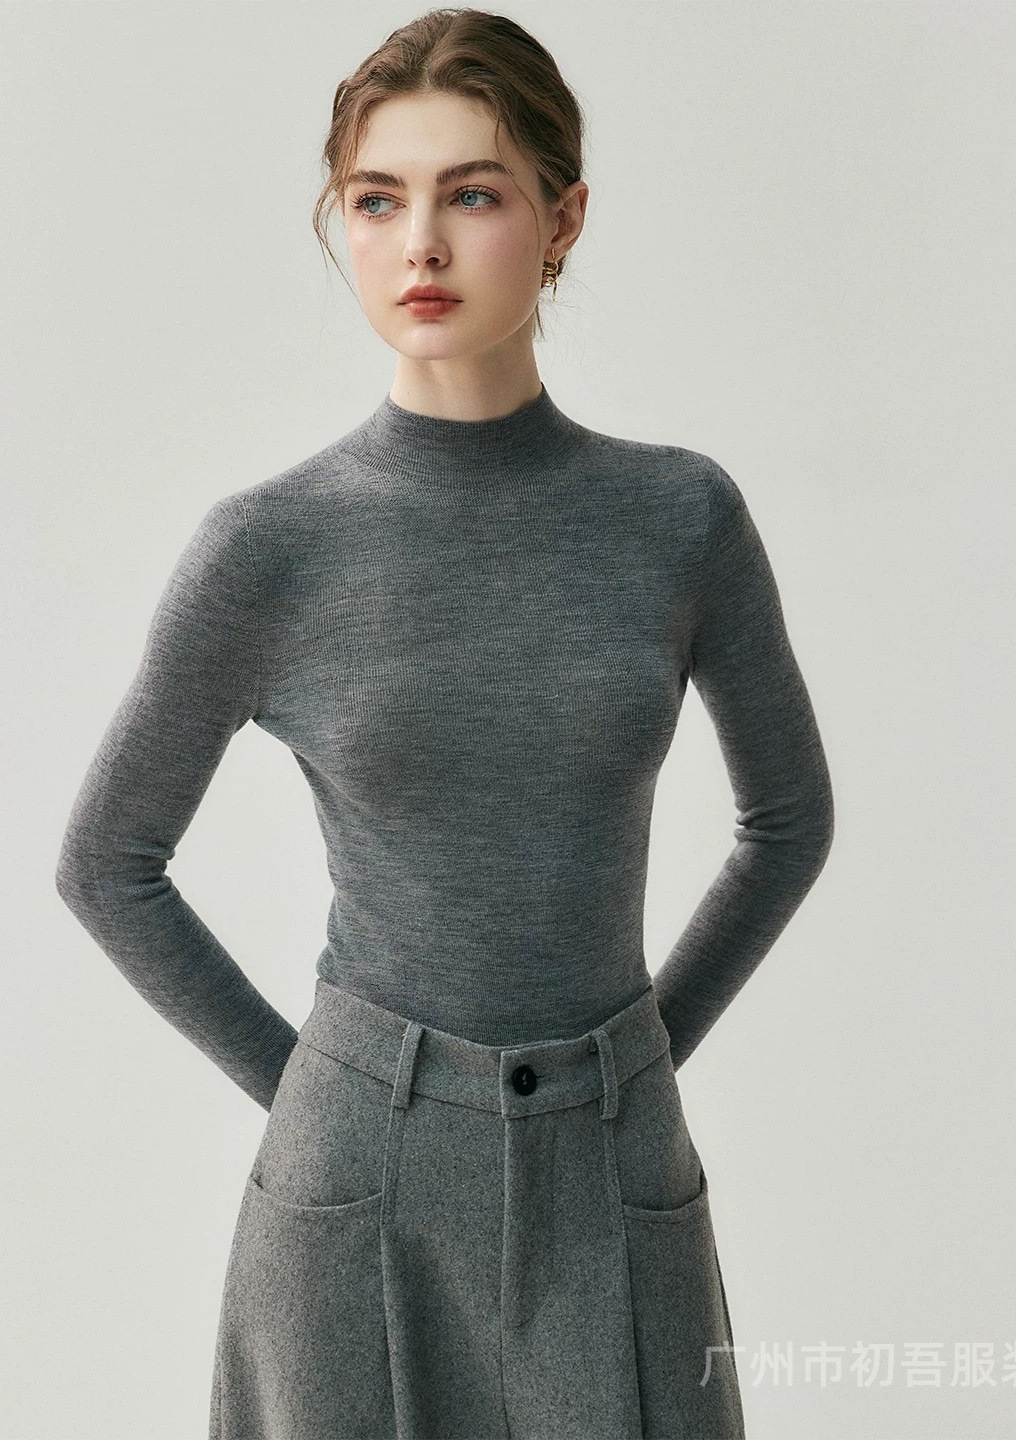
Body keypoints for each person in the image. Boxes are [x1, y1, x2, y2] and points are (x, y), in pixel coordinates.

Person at [54, 8, 834, 1438]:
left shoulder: (679, 519)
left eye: (472, 194)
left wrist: (635, 1064)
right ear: (338, 223)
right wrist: (328, 1094)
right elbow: (106, 863)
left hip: (617, 1177)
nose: (419, 244)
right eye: (376, 200)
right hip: (356, 1194)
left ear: (563, 219)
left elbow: (789, 824)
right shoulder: (269, 548)